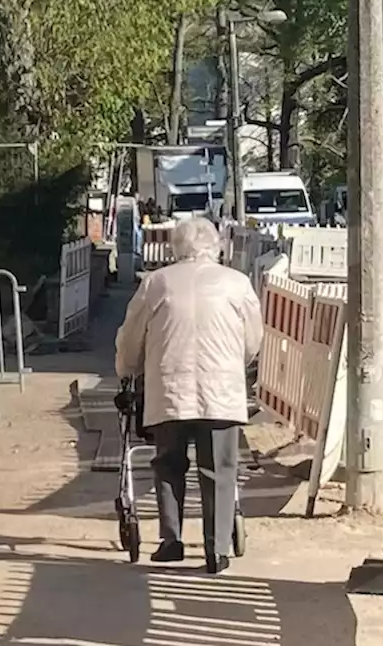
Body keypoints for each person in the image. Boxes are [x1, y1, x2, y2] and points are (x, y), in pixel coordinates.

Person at [115, 217, 263, 574]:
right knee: (220, 470)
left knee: (168, 463)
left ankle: (171, 541)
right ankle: (217, 549)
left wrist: (126, 370)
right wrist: (236, 363)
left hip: (169, 388)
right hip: (221, 391)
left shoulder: (155, 283)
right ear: (217, 247)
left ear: (174, 249)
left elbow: (131, 338)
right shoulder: (237, 283)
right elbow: (252, 340)